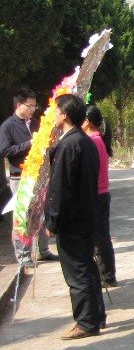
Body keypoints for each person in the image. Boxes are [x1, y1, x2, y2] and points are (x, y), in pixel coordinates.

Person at [44, 94, 105, 339]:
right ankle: (96, 316)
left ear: (65, 115)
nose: (54, 115)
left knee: (77, 272)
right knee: (88, 267)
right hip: (86, 214)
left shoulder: (69, 145)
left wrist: (53, 220)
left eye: (56, 111)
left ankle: (86, 322)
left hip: (72, 219)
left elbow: (61, 189)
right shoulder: (85, 141)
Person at [0, 89, 57, 265]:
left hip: (39, 175)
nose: (33, 109)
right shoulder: (8, 126)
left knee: (41, 213)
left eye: (35, 106)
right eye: (29, 106)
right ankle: (23, 255)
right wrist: (29, 144)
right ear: (19, 105)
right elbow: (5, 150)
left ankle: (43, 250)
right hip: (20, 177)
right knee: (23, 216)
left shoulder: (35, 124)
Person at [82, 105, 117, 287]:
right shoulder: (97, 139)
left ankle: (107, 275)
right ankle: (107, 274)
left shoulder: (94, 142)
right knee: (101, 236)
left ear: (87, 122)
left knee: (100, 237)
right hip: (101, 194)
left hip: (97, 194)